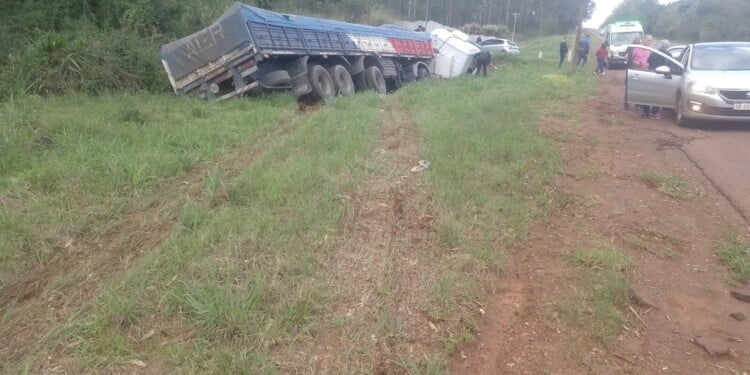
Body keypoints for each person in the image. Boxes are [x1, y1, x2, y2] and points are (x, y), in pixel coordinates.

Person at [642, 39, 671, 119]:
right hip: (662, 77)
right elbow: (670, 68)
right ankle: (653, 113)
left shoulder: (653, 54)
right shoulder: (669, 55)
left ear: (660, 45)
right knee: (658, 95)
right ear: (668, 46)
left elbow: (648, 63)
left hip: (651, 75)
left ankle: (645, 112)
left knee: (648, 94)